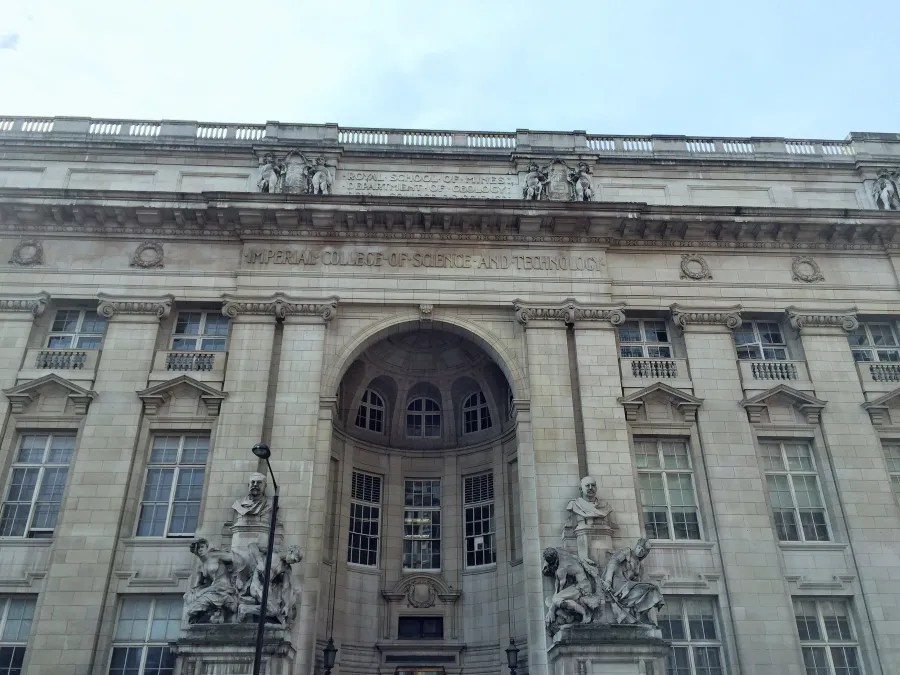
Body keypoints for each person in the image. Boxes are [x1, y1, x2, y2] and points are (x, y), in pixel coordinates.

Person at [601, 538, 664, 626]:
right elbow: (612, 563)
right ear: (636, 546)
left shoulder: (639, 564)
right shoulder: (627, 552)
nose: (640, 551)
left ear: (645, 553)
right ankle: (640, 615)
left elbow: (637, 580)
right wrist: (608, 581)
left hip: (629, 585)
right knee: (649, 588)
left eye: (643, 550)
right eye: (639, 548)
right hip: (619, 584)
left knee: (653, 589)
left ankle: (642, 615)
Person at [542, 547, 603, 631]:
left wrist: (551, 610)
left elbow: (560, 590)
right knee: (549, 600)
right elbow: (557, 585)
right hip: (579, 585)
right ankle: (568, 616)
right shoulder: (562, 554)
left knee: (555, 600)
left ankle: (585, 613)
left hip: (582, 587)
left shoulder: (561, 568)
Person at [185, 538, 239, 624]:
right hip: (213, 587)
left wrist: (238, 576)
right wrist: (194, 591)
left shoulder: (215, 555)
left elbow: (234, 558)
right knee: (189, 596)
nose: (200, 549)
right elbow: (198, 584)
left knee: (199, 602)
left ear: (207, 547)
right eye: (198, 548)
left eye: (202, 547)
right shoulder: (201, 566)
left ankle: (201, 617)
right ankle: (203, 618)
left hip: (223, 586)